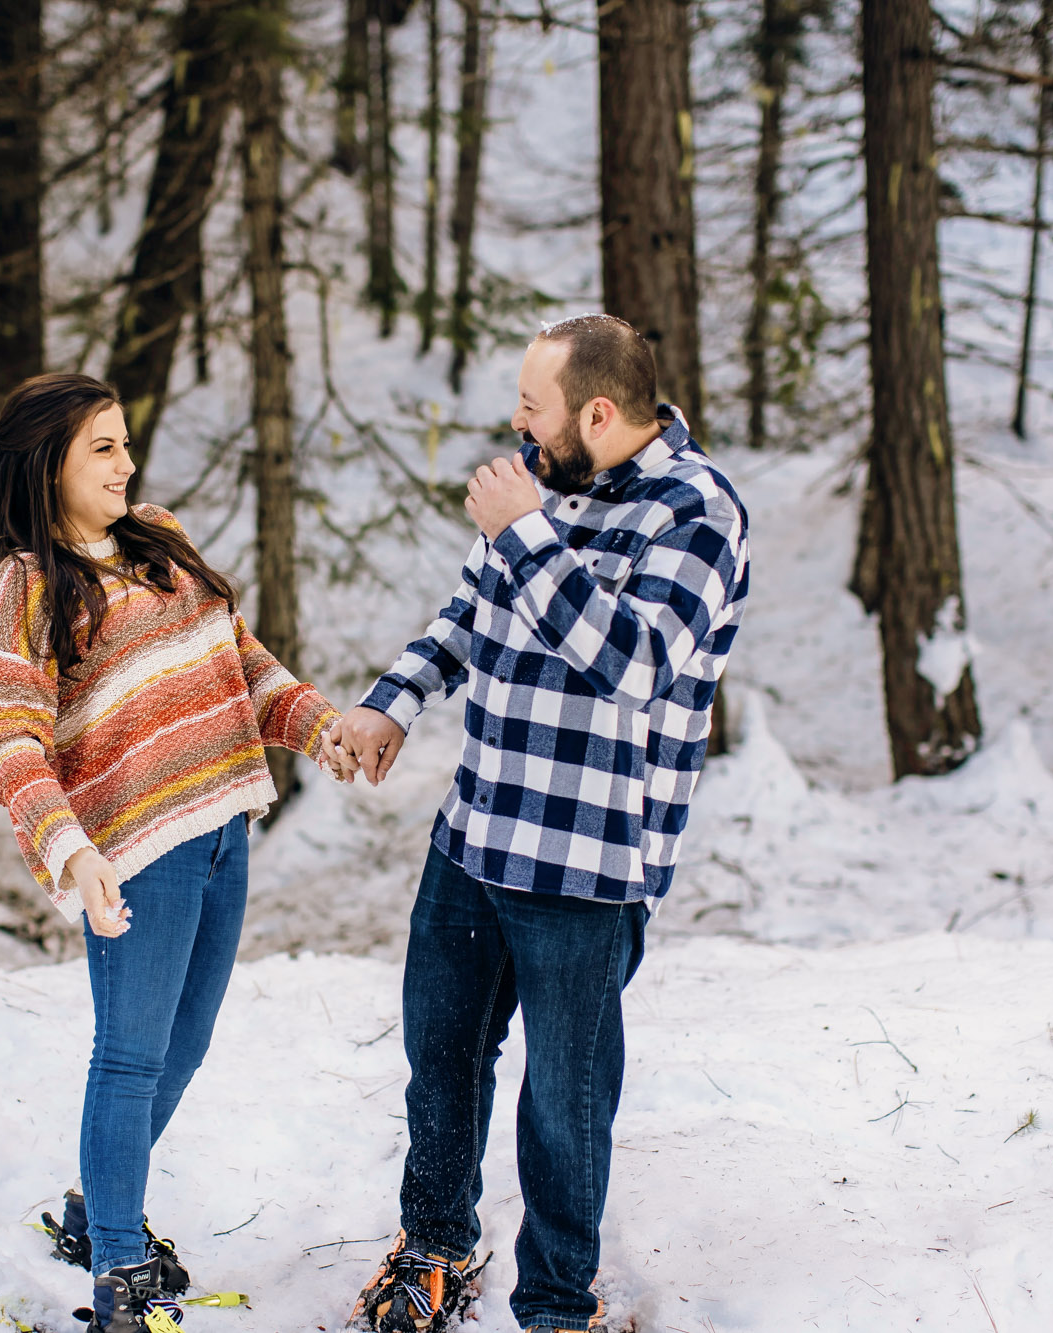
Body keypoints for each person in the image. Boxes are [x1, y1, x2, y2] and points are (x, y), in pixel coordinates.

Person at [335, 316, 750, 1333]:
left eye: (534, 405)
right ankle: (433, 1247)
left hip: (586, 860)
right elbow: (469, 610)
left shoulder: (696, 513)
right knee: (441, 1056)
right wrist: (392, 699)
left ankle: (558, 1305)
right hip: (476, 831)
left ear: (597, 413)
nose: (517, 422)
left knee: (562, 1101)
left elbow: (635, 666)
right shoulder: (538, 479)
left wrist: (525, 533)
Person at [0, 373, 359, 1333]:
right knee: (131, 1056)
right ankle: (119, 1277)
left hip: (224, 822)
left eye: (126, 442)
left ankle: (96, 1212)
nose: (126, 463)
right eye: (102, 447)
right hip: (137, 849)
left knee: (186, 1043)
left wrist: (321, 726)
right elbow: (7, 738)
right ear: (46, 462)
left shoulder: (159, 535)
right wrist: (71, 851)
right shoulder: (25, 583)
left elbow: (241, 659)